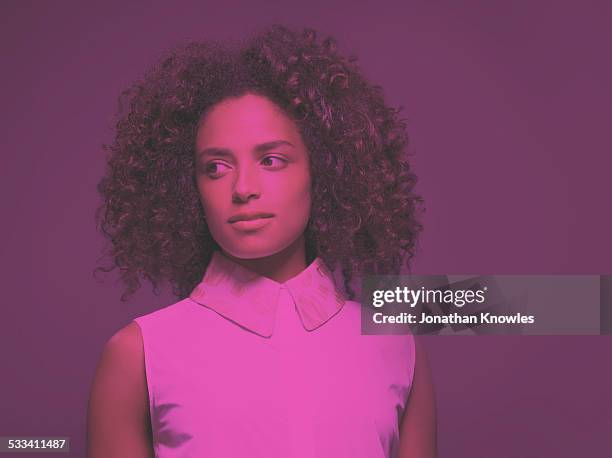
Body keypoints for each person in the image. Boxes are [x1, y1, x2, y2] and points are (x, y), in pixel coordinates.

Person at [87, 25, 436, 458]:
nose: (243, 188)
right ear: (187, 186)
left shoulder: (396, 345)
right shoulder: (137, 354)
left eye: (271, 160)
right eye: (216, 167)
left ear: (322, 170)